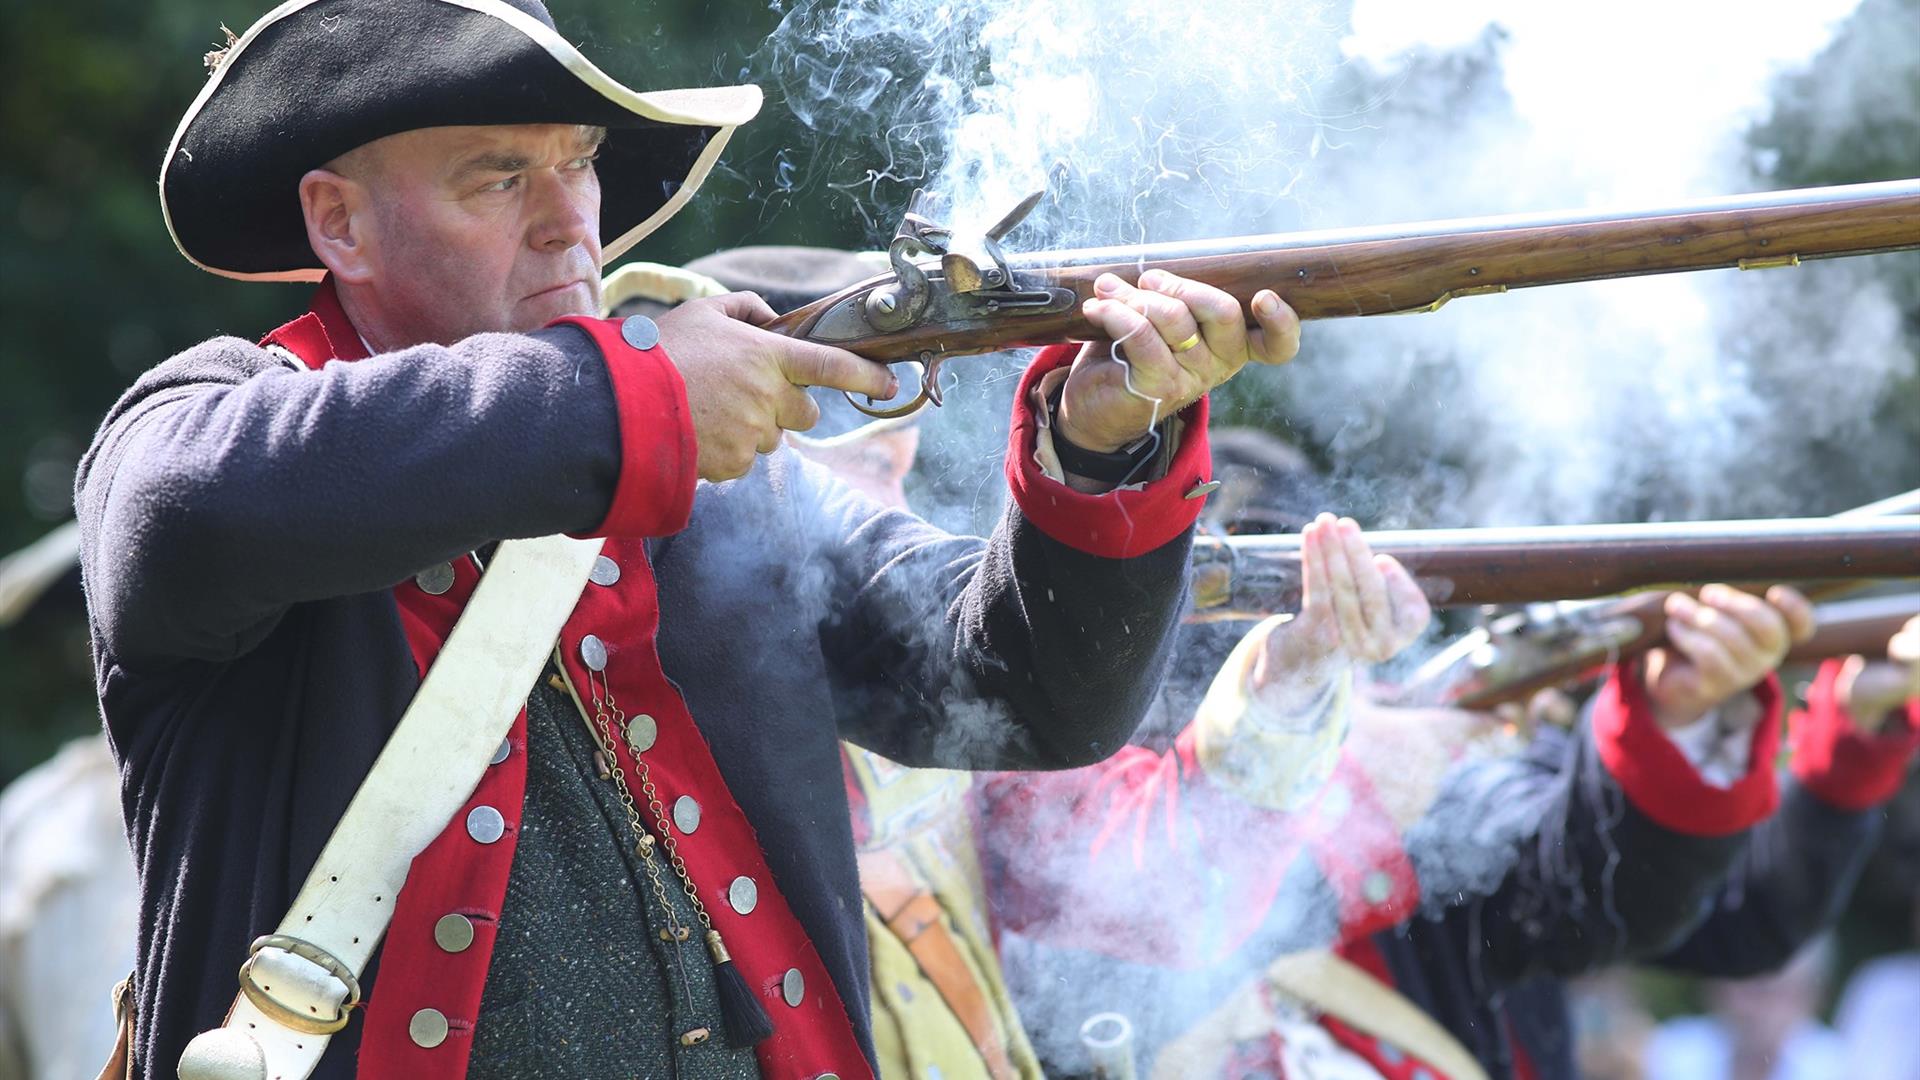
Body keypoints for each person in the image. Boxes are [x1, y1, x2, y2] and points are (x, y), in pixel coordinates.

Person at [75, 3, 1306, 1079]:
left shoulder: (731, 505)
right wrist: (642, 395)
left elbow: (1023, 692)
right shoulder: (215, 423)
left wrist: (1098, 446)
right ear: (340, 226)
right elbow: (185, 508)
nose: (572, 224)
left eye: (582, 164)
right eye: (499, 176)